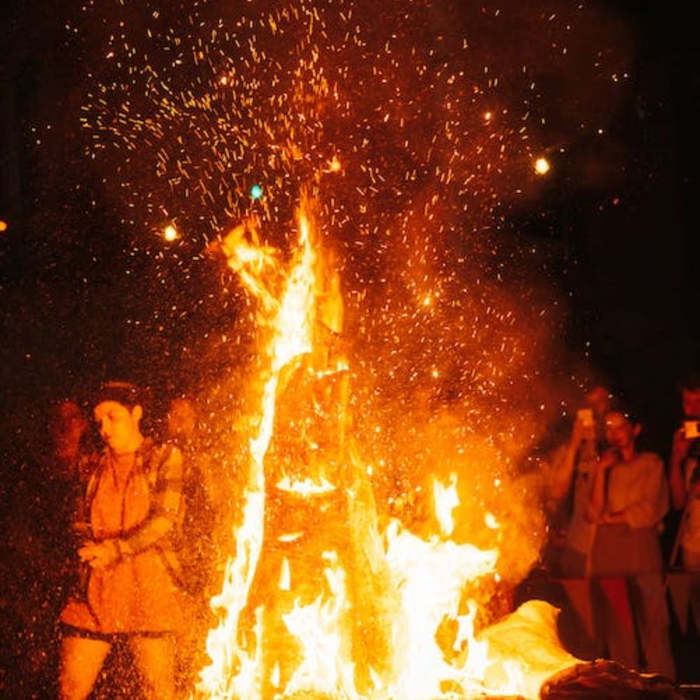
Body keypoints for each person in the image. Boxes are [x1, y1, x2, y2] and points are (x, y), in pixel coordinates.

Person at [58, 381, 185, 700]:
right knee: (70, 690)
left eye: (113, 416)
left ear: (136, 413)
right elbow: (78, 520)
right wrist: (87, 544)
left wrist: (117, 548)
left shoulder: (163, 456)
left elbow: (164, 520)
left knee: (159, 692)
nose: (104, 428)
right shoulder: (92, 464)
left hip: (147, 586)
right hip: (97, 586)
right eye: (99, 420)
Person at [587, 410, 675, 679]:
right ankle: (623, 685)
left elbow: (650, 509)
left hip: (641, 549)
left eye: (620, 426)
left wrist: (612, 518)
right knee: (618, 626)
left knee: (654, 624)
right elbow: (592, 513)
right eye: (609, 428)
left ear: (635, 429)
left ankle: (663, 684)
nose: (614, 433)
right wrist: (601, 472)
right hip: (609, 554)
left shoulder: (651, 464)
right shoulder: (602, 467)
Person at [546, 386, 611, 578]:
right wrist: (575, 444)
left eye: (601, 403)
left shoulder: (617, 449)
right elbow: (558, 491)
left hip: (612, 548)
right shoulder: (568, 450)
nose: (595, 411)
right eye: (589, 405)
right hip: (576, 545)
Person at [668, 371, 700, 628]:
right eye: (687, 403)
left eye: (698, 402)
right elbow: (679, 502)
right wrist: (677, 460)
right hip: (693, 541)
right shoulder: (685, 441)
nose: (693, 409)